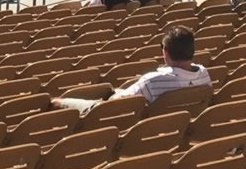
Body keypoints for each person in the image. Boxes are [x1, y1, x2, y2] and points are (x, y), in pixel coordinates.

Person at [56, 27, 210, 112]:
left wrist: (115, 93)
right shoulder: (204, 74)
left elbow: (117, 102)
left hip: (116, 114)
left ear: (166, 52)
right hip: (175, 127)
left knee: (59, 102)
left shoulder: (153, 81)